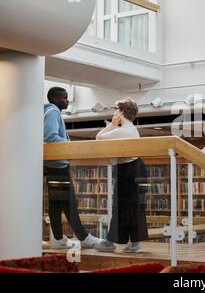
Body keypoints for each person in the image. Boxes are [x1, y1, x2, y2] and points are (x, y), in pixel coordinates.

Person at [44, 87, 101, 249]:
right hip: (58, 164)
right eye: (65, 97)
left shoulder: (47, 111)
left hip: (52, 164)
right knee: (69, 202)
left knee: (56, 203)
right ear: (55, 99)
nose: (67, 101)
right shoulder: (53, 112)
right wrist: (71, 146)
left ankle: (58, 238)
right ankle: (83, 237)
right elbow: (50, 136)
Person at [94, 98, 149, 253]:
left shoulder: (122, 130)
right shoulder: (132, 129)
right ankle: (134, 244)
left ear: (121, 112)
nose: (114, 112)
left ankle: (110, 242)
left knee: (121, 206)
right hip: (136, 168)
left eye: (116, 110)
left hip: (128, 170)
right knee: (133, 207)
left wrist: (112, 124)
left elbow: (98, 138)